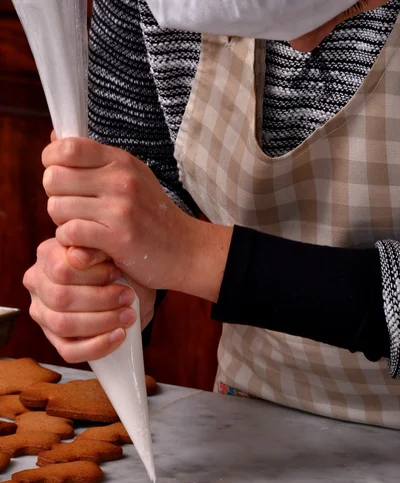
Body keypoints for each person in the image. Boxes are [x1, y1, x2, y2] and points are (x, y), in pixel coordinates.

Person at [23, 0, 400, 428]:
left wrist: (193, 254)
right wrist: (112, 285)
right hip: (250, 424)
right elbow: (143, 172)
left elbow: (172, 242)